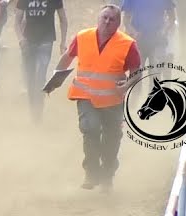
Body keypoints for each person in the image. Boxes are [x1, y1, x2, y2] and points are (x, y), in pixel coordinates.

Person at [50, 4, 140, 190]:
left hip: (112, 100)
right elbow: (68, 57)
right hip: (85, 96)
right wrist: (54, 80)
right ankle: (91, 173)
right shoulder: (83, 37)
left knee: (112, 139)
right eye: (104, 17)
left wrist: (127, 84)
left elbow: (137, 72)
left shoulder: (128, 44)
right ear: (98, 18)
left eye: (112, 19)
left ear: (118, 23)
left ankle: (107, 175)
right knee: (90, 129)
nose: (107, 22)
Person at [16, 0, 68, 122]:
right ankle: (32, 108)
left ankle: (38, 112)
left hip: (46, 41)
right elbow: (17, 21)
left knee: (40, 77)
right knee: (30, 78)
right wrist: (21, 39)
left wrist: (63, 42)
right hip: (28, 41)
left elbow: (63, 19)